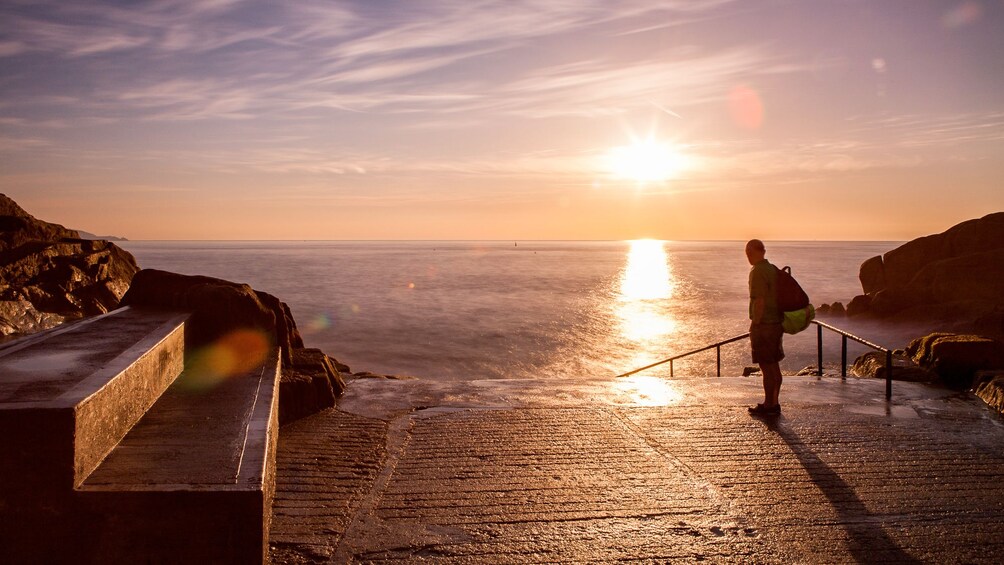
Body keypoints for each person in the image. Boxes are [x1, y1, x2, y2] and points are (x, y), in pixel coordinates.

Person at [745, 239, 784, 415]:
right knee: (774, 365)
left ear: (756, 252)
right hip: (776, 322)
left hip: (765, 325)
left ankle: (769, 405)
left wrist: (756, 323)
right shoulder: (772, 269)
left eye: (749, 252)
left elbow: (759, 300)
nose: (748, 256)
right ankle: (775, 402)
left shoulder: (758, 271)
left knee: (766, 367)